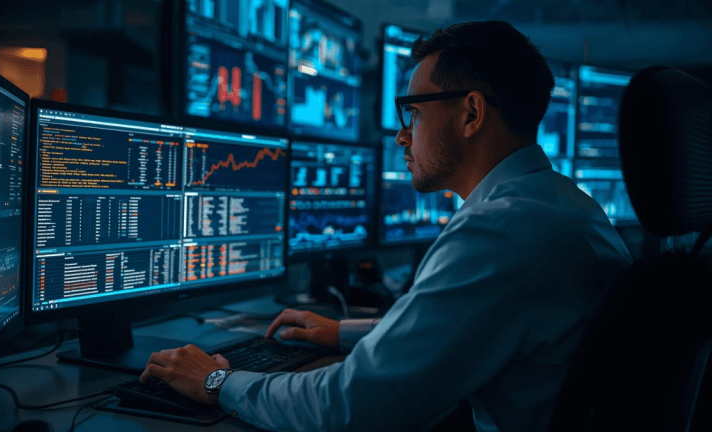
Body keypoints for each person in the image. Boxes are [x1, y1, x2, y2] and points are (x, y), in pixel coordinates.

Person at [140, 21, 632, 431]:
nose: (400, 134)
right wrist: (346, 333)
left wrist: (218, 383)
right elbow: (471, 325)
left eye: (413, 113)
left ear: (472, 113)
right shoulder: (563, 203)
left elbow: (353, 407)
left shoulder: (500, 231)